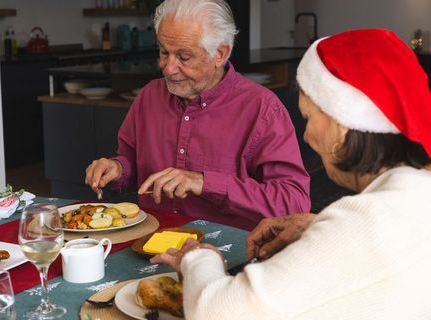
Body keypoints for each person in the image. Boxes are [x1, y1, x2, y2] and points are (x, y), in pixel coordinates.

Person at [151, 28, 431, 319]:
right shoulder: (418, 193)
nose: (307, 137)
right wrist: (317, 228)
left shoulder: (362, 220)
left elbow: (218, 312)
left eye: (309, 118)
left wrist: (200, 258)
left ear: (343, 124)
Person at [85, 0, 310, 230]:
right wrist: (118, 169)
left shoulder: (262, 108)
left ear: (220, 54)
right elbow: (133, 164)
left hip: (230, 256)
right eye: (164, 52)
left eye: (183, 57)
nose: (168, 68)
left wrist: (204, 183)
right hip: (152, 245)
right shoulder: (149, 96)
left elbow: (293, 203)